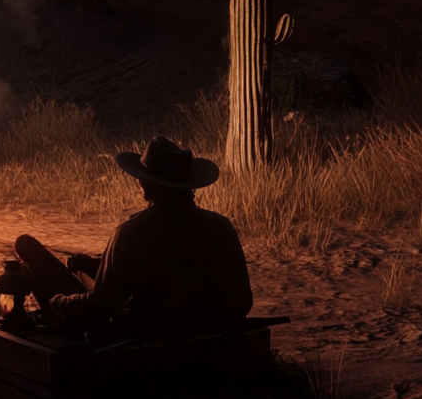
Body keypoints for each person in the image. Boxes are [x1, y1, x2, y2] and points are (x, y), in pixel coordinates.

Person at [14, 136, 253, 339]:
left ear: (146, 183)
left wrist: (59, 301)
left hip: (144, 333)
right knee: (83, 271)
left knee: (26, 246)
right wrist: (96, 265)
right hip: (203, 326)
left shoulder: (132, 232)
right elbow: (241, 299)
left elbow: (102, 303)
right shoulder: (220, 226)